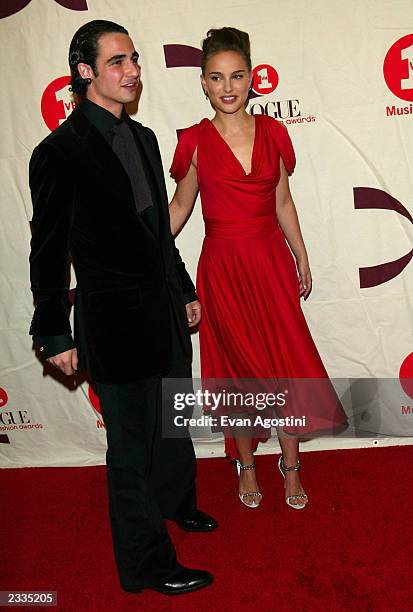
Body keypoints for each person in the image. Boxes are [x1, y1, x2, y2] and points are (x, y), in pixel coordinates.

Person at [29, 20, 216, 595]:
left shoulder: (144, 139)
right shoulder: (58, 153)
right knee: (130, 450)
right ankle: (147, 565)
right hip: (113, 324)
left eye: (133, 58)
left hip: (162, 312)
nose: (132, 70)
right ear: (85, 73)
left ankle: (176, 501)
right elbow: (48, 250)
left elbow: (158, 233)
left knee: (173, 422)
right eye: (117, 62)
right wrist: (54, 331)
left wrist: (183, 289)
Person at [169, 27, 347, 510]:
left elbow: (283, 200)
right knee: (237, 370)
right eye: (216, 77)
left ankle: (290, 466)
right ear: (203, 83)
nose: (228, 87)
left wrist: (302, 254)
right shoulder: (194, 142)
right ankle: (246, 464)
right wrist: (136, 251)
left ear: (252, 79)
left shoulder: (274, 132)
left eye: (238, 76)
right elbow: (180, 208)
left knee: (283, 364)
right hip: (223, 268)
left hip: (270, 262)